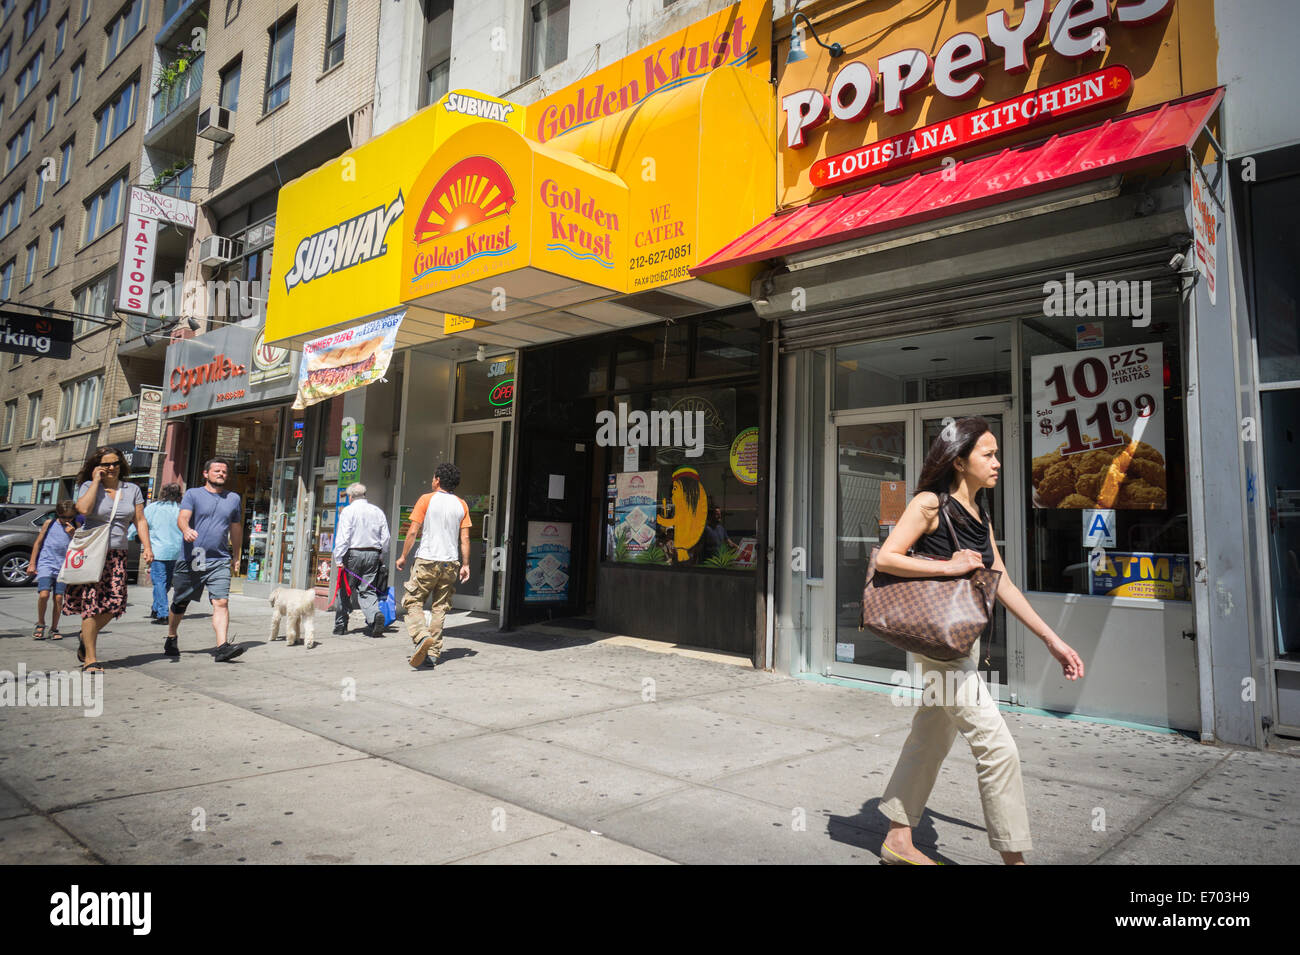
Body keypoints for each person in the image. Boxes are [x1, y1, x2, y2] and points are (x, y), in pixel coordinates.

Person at [873, 417, 1084, 866]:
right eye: (987, 454)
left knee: (929, 737)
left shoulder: (980, 513)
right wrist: (948, 567)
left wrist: (1051, 639)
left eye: (995, 453)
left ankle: (897, 837)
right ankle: (1015, 861)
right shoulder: (931, 504)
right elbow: (888, 557)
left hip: (960, 641)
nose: (997, 462)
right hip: (938, 645)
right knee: (997, 747)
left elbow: (1000, 579)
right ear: (959, 460)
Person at [63, 446, 153, 673]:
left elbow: (140, 520)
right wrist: (95, 482)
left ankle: (86, 634)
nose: (111, 467)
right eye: (105, 464)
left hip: (118, 553)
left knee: (116, 604)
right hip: (92, 552)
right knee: (92, 606)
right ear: (97, 466)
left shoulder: (132, 489)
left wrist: (147, 547)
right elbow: (81, 509)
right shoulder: (88, 487)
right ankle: (91, 659)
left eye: (114, 463)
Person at [167, 459, 245, 662]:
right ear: (205, 473)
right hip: (195, 556)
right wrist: (186, 530)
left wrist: (237, 555)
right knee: (181, 600)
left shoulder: (234, 499)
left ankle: (222, 647)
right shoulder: (193, 494)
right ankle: (171, 636)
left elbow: (236, 528)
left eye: (224, 471)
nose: (221, 474)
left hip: (219, 558)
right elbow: (182, 517)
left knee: (221, 601)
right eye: (217, 470)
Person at [395, 462, 471, 670]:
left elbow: (412, 531)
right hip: (450, 562)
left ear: (437, 480)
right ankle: (434, 653)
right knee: (440, 607)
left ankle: (421, 636)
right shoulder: (462, 504)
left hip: (427, 559)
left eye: (433, 477)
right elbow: (465, 538)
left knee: (412, 601)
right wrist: (465, 564)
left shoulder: (426, 499)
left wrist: (402, 556)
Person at [332, 483, 391, 638]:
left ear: (350, 497)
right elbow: (386, 538)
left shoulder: (348, 511)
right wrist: (381, 554)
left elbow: (343, 537)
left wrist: (338, 557)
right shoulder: (377, 511)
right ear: (365, 495)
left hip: (353, 553)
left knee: (345, 590)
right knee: (368, 589)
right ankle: (374, 615)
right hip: (372, 553)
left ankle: (341, 625)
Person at [28, 501, 78, 641]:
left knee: (58, 598)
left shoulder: (74, 527)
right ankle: (40, 623)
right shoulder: (49, 523)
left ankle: (54, 627)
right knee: (44, 595)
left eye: (70, 518)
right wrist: (32, 563)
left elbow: (80, 546)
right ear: (58, 514)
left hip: (63, 566)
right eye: (63, 517)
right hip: (46, 563)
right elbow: (38, 543)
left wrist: (74, 533)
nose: (66, 521)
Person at [142, 484, 184, 624]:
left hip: (158, 551)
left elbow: (139, 525)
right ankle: (156, 608)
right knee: (165, 583)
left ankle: (163, 614)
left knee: (159, 582)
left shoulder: (153, 508)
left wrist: (130, 536)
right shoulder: (181, 509)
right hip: (176, 551)